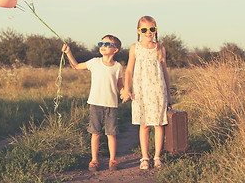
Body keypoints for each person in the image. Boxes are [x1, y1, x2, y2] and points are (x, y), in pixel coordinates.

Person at [62, 35, 124, 172]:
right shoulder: (94, 62)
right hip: (95, 103)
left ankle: (112, 160)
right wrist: (68, 53)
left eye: (107, 44)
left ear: (115, 49)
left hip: (111, 104)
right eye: (101, 43)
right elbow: (76, 66)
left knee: (111, 133)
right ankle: (94, 160)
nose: (103, 46)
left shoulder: (118, 67)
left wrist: (124, 92)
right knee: (95, 133)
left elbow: (120, 85)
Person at [121, 16, 172, 170]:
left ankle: (157, 156)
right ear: (139, 31)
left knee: (158, 123)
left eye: (152, 29)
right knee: (144, 125)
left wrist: (169, 94)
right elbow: (129, 69)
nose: (148, 32)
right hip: (141, 90)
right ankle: (144, 157)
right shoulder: (134, 47)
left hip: (158, 90)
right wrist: (127, 88)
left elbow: (164, 72)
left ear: (155, 30)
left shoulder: (160, 48)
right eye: (144, 30)